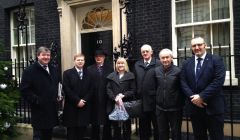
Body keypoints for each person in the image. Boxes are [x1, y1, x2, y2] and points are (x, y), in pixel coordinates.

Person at [180, 36, 226, 140]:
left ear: (205, 45)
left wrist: (201, 96)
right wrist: (194, 98)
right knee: (199, 137)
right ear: (191, 48)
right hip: (195, 109)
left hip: (213, 107)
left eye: (199, 45)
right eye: (194, 45)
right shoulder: (186, 63)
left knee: (217, 137)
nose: (197, 47)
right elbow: (183, 82)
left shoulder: (216, 60)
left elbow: (218, 81)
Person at [20, 46, 60, 140]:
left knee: (48, 136)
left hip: (51, 110)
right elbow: (24, 90)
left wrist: (58, 96)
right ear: (38, 56)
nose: (46, 57)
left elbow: (57, 85)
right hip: (39, 111)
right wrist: (38, 101)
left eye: (48, 55)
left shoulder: (53, 69)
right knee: (38, 137)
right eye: (43, 55)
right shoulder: (29, 71)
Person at [155, 48, 183, 140]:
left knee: (176, 132)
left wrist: (178, 101)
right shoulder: (156, 71)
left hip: (175, 108)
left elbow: (182, 88)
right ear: (160, 59)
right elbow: (155, 87)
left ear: (171, 58)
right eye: (163, 58)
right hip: (160, 108)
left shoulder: (178, 71)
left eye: (167, 57)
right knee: (162, 132)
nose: (165, 60)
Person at [62, 53, 92, 140]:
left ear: (84, 61)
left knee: (82, 133)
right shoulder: (67, 73)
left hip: (84, 107)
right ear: (74, 61)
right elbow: (66, 89)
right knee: (71, 133)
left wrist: (84, 100)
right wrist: (77, 101)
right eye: (78, 60)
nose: (80, 62)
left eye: (82, 60)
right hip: (72, 107)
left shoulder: (89, 73)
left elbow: (91, 89)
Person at [134, 44, 160, 140]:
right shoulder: (137, 64)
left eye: (147, 51)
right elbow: (135, 80)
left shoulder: (158, 63)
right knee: (143, 127)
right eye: (143, 52)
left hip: (154, 101)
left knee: (157, 126)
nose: (145, 53)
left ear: (151, 52)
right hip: (142, 101)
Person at [106, 57, 136, 140]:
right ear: (116, 65)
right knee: (116, 126)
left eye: (122, 63)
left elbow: (133, 90)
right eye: (118, 63)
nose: (120, 65)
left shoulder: (130, 75)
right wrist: (114, 98)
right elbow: (108, 89)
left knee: (127, 125)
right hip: (114, 103)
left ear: (125, 64)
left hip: (126, 104)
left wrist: (123, 95)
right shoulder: (111, 76)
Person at [87, 49, 113, 140]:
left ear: (104, 57)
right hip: (93, 99)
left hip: (106, 99)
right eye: (97, 57)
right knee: (95, 122)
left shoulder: (110, 69)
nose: (99, 58)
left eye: (101, 56)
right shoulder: (89, 69)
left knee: (107, 122)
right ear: (94, 58)